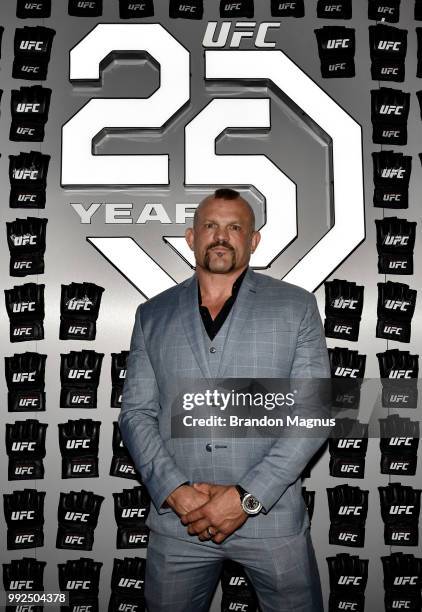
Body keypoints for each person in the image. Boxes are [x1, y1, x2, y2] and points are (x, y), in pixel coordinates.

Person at [119, 188, 331, 612]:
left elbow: (313, 413)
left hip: (270, 520)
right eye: (210, 226)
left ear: (253, 241)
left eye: (235, 227)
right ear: (191, 237)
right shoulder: (152, 314)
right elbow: (136, 414)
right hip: (181, 523)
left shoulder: (296, 306)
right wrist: (177, 492)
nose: (221, 236)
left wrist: (245, 497)